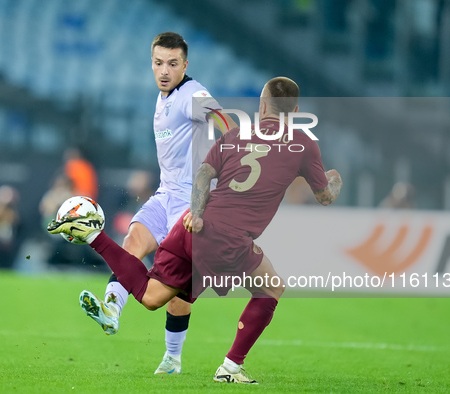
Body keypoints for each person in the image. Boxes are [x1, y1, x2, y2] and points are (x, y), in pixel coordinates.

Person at [49, 77, 343, 383]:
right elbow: (325, 197)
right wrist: (334, 180)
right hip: (231, 237)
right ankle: (230, 368)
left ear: (262, 106)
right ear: (294, 111)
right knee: (271, 288)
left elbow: (204, 173)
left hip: (192, 223)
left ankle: (94, 236)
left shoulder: (235, 136)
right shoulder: (302, 143)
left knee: (151, 296)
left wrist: (197, 214)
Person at [82, 32, 234, 375]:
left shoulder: (191, 94)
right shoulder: (163, 97)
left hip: (189, 204)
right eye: (158, 63)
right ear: (151, 63)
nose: (164, 70)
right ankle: (112, 311)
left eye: (173, 63)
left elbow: (224, 122)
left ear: (185, 65)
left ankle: (172, 358)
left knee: (177, 290)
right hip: (165, 194)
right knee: (133, 242)